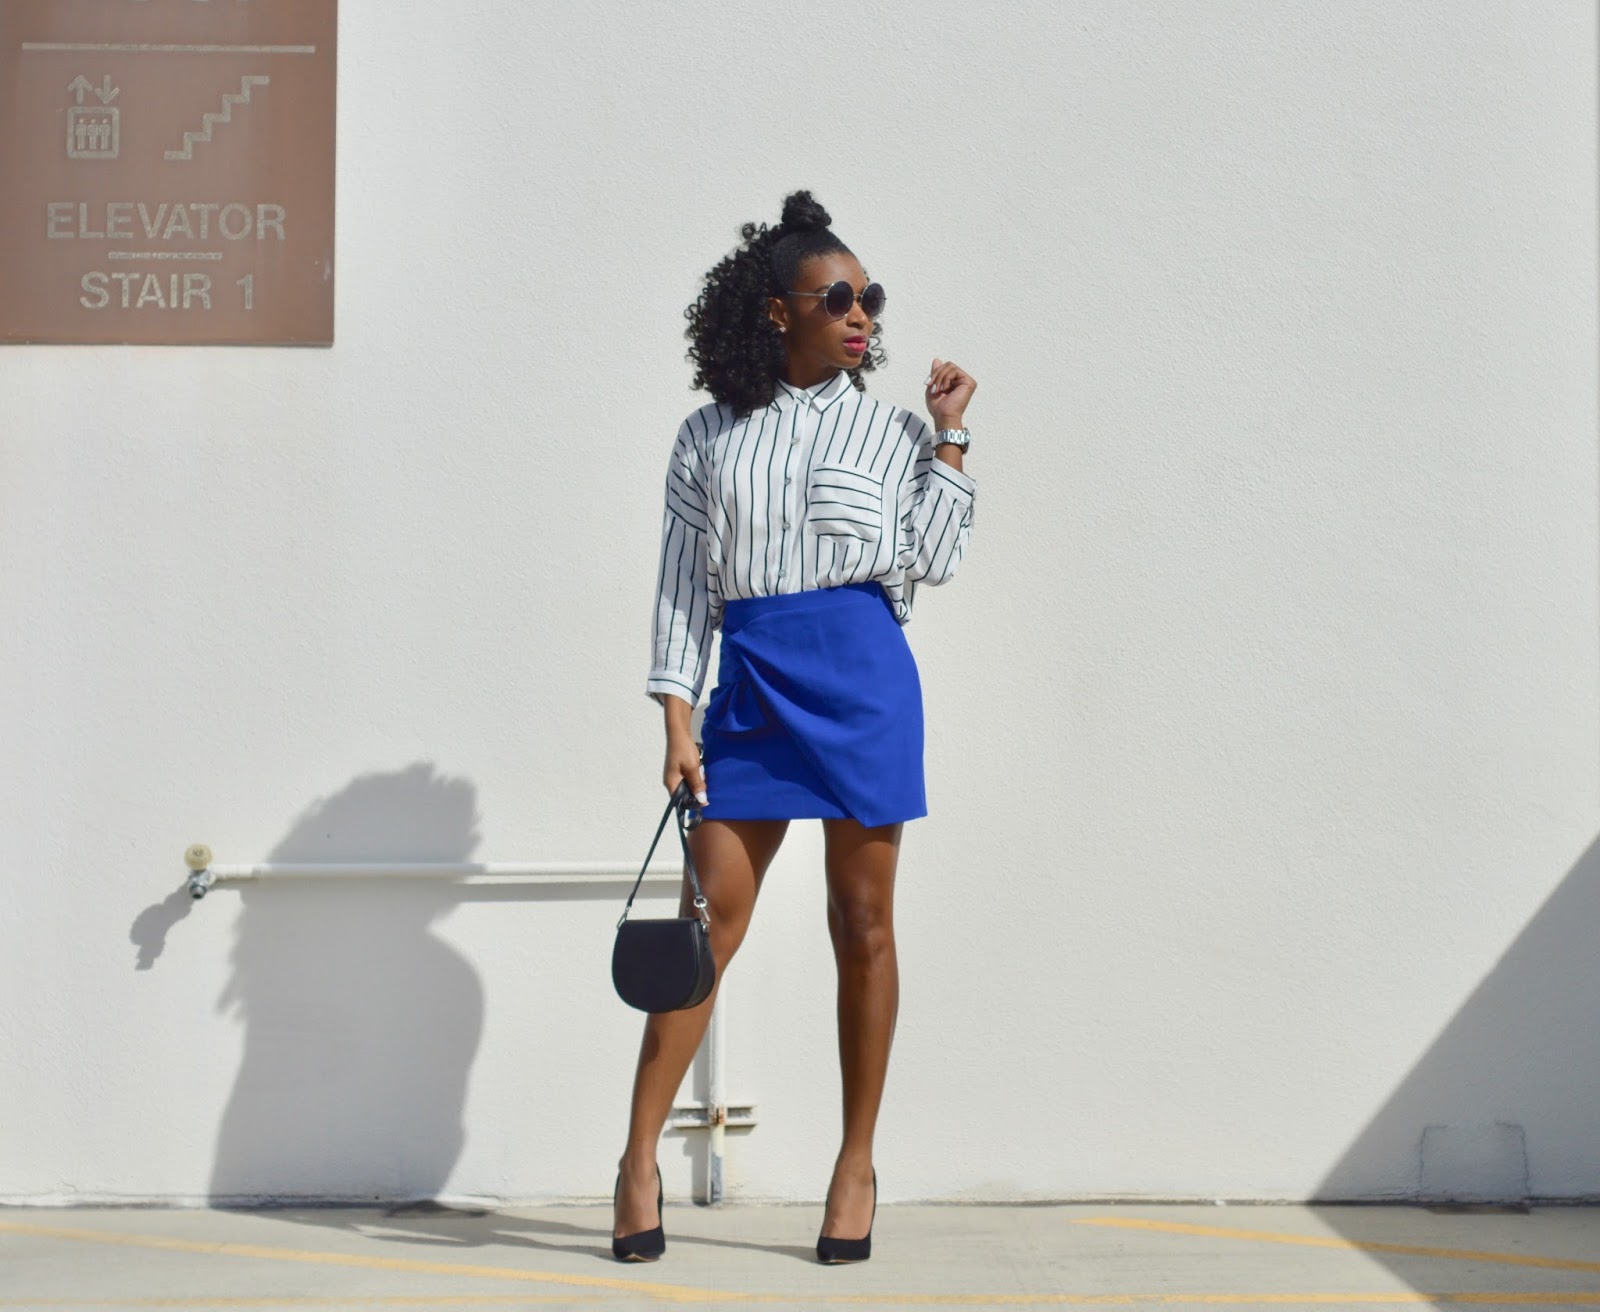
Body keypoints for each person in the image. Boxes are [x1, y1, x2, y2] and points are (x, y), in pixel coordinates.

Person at [613, 188, 978, 1265]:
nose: (861, 313)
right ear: (778, 311)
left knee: (861, 925)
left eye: (870, 297)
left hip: (864, 676)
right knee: (707, 923)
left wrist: (951, 441)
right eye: (838, 296)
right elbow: (682, 589)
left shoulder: (896, 427)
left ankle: (855, 1162)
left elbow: (936, 558)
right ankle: (637, 1159)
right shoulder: (707, 435)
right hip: (751, 682)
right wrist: (677, 720)